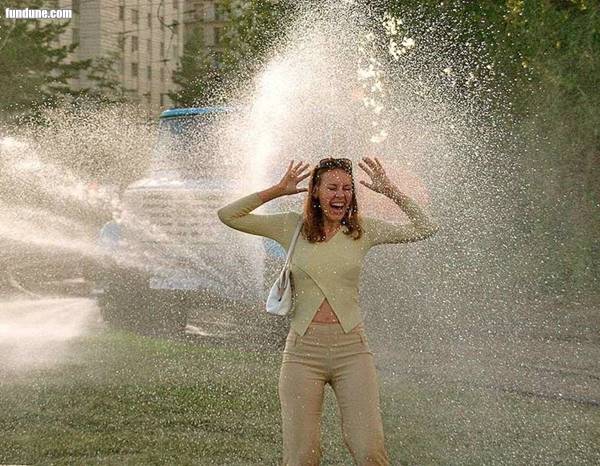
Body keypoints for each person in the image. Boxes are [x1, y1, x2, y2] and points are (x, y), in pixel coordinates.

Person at [217, 156, 439, 466]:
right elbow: (228, 215)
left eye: (347, 188)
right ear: (316, 192)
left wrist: (390, 190)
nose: (341, 195)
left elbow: (426, 227)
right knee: (301, 457)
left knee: (369, 451)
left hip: (352, 351)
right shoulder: (290, 226)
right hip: (302, 354)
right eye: (332, 187)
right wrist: (278, 189)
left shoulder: (364, 230)